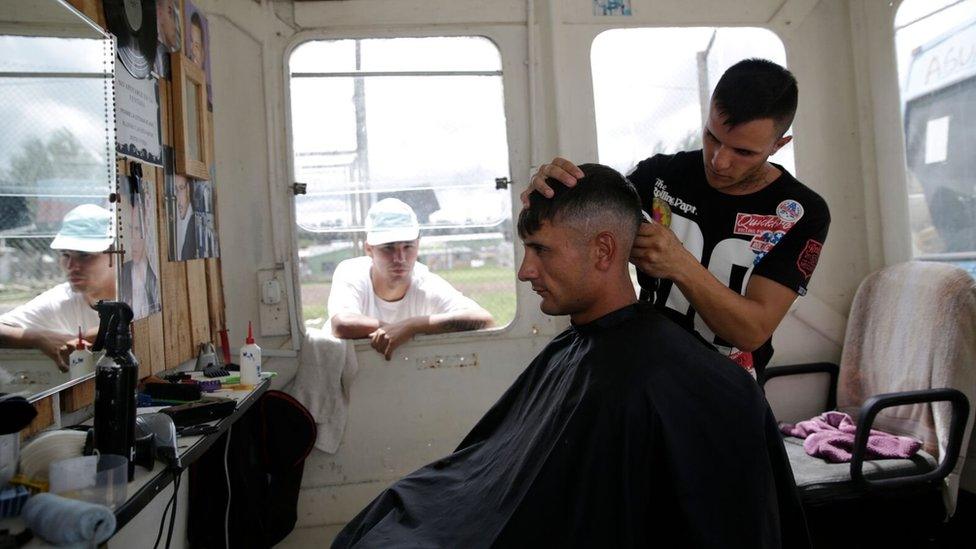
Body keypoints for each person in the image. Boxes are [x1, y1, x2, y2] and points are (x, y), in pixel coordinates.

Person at [333, 165, 807, 548]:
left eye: (540, 250)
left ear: (604, 251)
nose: (524, 271)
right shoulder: (579, 346)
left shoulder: (689, 386)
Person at [527, 58, 830, 377]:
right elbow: (579, 222)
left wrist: (679, 263)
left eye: (743, 152)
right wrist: (548, 186)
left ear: (778, 145)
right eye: (712, 136)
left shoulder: (801, 212)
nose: (719, 161)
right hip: (646, 369)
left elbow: (751, 332)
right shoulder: (659, 176)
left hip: (727, 387)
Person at [328, 198, 494, 360]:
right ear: (369, 249)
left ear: (418, 245)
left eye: (408, 247)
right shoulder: (352, 272)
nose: (399, 258)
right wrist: (395, 330)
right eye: (388, 248)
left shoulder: (426, 283)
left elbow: (483, 320)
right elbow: (342, 324)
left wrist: (411, 326)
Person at [0, 204, 116, 369]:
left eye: (85, 255)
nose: (72, 266)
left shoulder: (137, 296)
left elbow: (132, 325)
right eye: (65, 255)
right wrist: (37, 337)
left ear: (115, 255)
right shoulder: (61, 299)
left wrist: (88, 337)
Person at [120, 189, 160, 318]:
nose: (132, 240)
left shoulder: (155, 279)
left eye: (137, 229)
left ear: (148, 230)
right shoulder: (122, 273)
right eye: (130, 229)